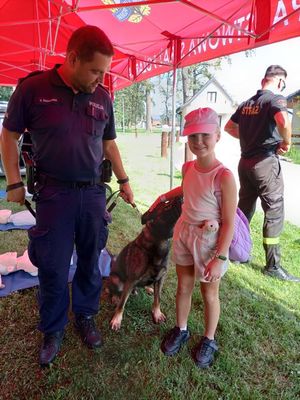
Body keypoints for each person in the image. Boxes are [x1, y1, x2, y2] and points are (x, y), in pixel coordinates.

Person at [0, 25, 134, 367]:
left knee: (90, 259)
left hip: (92, 194)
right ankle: (53, 328)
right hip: (53, 195)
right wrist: (14, 182)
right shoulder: (33, 89)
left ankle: (85, 316)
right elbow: (9, 134)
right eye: (95, 70)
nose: (100, 78)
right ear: (72, 58)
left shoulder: (102, 97)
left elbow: (108, 143)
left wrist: (124, 179)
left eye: (104, 71)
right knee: (53, 265)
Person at [157, 107, 237, 368]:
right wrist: (165, 196)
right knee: (183, 286)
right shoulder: (188, 166)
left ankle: (209, 339)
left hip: (209, 242)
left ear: (217, 136)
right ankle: (181, 329)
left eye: (205, 135)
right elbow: (188, 185)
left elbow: (230, 221)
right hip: (184, 234)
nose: (198, 142)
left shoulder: (224, 176)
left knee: (209, 293)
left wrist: (220, 257)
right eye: (192, 137)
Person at [224, 65, 300, 282]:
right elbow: (283, 121)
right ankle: (273, 266)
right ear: (280, 82)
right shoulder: (276, 99)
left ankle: (237, 252)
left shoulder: (247, 104)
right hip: (265, 163)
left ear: (262, 80)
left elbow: (229, 128)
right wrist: (285, 142)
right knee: (274, 211)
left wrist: (249, 138)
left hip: (245, 163)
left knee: (244, 209)